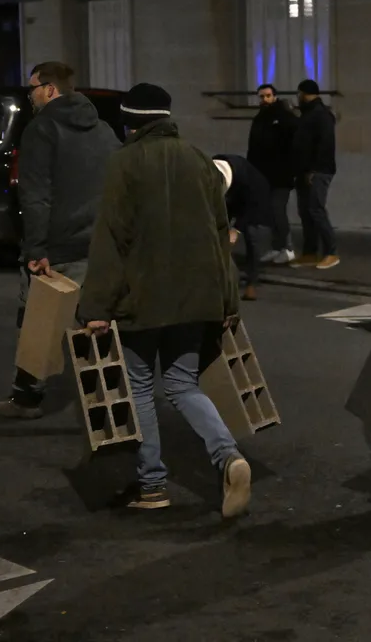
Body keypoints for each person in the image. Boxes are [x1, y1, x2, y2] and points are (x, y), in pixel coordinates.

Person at [78, 83, 251, 518]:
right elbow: (220, 236)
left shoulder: (124, 163)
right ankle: (229, 456)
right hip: (197, 298)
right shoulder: (198, 159)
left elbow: (111, 242)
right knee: (181, 384)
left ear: (131, 121)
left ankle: (152, 484)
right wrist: (228, 301)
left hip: (141, 301)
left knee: (138, 388)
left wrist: (96, 309)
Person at [0, 61, 121, 420]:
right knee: (94, 325)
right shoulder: (104, 130)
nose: (29, 95)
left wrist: (36, 249)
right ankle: (107, 400)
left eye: (32, 88)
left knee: (37, 323)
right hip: (95, 245)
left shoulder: (41, 130)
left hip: (57, 245)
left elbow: (36, 196)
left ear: (50, 89)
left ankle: (26, 398)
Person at [288, 79, 340, 270]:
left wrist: (315, 169)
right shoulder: (308, 114)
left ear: (303, 93)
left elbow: (325, 144)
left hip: (318, 171)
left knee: (316, 210)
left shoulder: (321, 115)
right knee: (306, 212)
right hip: (304, 171)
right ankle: (310, 253)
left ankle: (331, 252)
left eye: (299, 94)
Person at [247, 84, 298, 265]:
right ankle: (277, 247)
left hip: (281, 175)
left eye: (268, 96)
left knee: (278, 211)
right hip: (264, 175)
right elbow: (253, 148)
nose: (265, 99)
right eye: (262, 96)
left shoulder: (284, 118)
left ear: (274, 96)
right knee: (270, 213)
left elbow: (293, 145)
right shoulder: (260, 119)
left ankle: (288, 248)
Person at [213, 153, 272, 302]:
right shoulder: (209, 169)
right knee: (217, 234)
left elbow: (250, 208)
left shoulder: (250, 183)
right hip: (228, 197)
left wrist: (236, 230)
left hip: (253, 201)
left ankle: (252, 283)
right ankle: (220, 279)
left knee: (252, 236)